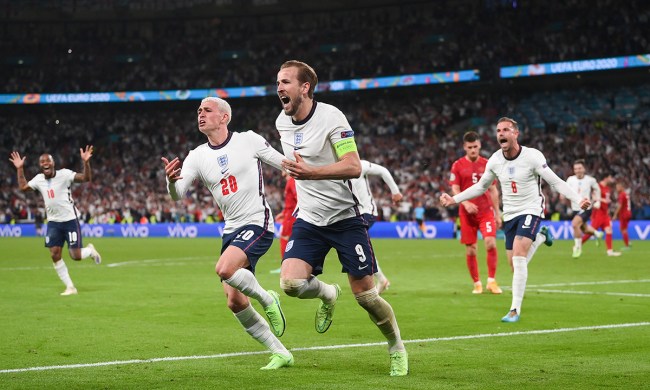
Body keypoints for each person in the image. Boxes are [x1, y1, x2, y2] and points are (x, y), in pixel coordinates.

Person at [275, 60, 408, 376]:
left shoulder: (332, 118)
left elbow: (354, 165)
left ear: (305, 87)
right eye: (277, 82)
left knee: (366, 296)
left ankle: (397, 348)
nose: (279, 88)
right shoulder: (281, 121)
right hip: (309, 218)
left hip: (347, 217)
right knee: (290, 283)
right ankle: (327, 293)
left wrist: (311, 173)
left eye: (285, 82)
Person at [161, 97, 293, 370]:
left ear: (224, 117)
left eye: (207, 110)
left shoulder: (248, 140)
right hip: (231, 229)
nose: (200, 114)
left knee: (224, 268)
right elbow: (177, 195)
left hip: (257, 222)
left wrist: (296, 167)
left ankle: (269, 299)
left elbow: (282, 162)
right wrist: (170, 181)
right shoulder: (197, 155)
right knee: (234, 301)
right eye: (198, 111)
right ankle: (281, 352)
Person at [439, 117, 590, 323]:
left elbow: (555, 181)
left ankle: (514, 310)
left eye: (506, 130)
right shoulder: (495, 160)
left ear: (515, 134)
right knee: (515, 265)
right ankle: (541, 237)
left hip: (531, 209)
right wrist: (454, 199)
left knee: (519, 256)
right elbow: (482, 187)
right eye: (498, 130)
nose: (501, 133)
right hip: (510, 214)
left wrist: (578, 198)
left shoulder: (532, 156)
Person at [9, 147, 102, 296]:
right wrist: (20, 169)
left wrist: (86, 162)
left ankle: (90, 250)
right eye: (42, 161)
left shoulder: (64, 175)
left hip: (70, 220)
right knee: (54, 254)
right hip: (53, 222)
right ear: (40, 165)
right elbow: (23, 187)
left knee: (75, 256)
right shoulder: (39, 179)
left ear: (53, 163)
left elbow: (85, 178)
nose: (45, 163)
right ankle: (70, 287)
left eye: (48, 160)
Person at [449, 131, 503, 295]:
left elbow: (493, 189)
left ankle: (492, 281)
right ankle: (477, 283)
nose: (473, 150)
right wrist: (465, 203)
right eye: (470, 147)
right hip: (466, 213)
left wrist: (498, 212)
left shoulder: (488, 164)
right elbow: (455, 188)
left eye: (475, 146)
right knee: (471, 249)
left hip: (485, 211)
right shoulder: (457, 165)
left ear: (479, 146)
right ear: (465, 147)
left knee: (491, 243)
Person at [351, 159, 403, 294]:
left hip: (366, 212)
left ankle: (376, 281)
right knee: (358, 247)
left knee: (359, 247)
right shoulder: (332, 169)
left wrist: (395, 191)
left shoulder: (359, 164)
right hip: (352, 215)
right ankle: (381, 279)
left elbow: (382, 170)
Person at [565, 159, 603, 258]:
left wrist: (598, 201)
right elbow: (566, 191)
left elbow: (597, 189)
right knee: (584, 229)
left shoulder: (590, 180)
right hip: (575, 208)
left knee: (574, 224)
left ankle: (577, 248)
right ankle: (597, 233)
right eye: (576, 169)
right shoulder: (570, 179)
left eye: (580, 168)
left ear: (584, 169)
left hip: (586, 207)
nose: (578, 170)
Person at [580, 175, 621, 256]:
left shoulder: (607, 188)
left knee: (609, 230)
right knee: (590, 232)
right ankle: (577, 245)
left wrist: (607, 203)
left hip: (605, 214)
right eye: (610, 177)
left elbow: (607, 200)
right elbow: (594, 197)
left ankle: (610, 251)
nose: (611, 179)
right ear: (606, 178)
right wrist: (603, 200)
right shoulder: (598, 186)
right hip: (598, 213)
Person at [271, 171, 297, 274]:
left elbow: (298, 200)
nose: (282, 173)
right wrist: (284, 212)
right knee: (290, 240)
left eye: (283, 170)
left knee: (284, 238)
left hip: (291, 218)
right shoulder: (291, 181)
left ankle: (285, 266)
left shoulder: (292, 181)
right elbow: (291, 203)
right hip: (289, 215)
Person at [613, 180, 632, 250]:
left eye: (617, 187)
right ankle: (628, 242)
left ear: (621, 187)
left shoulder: (621, 195)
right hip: (628, 212)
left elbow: (620, 206)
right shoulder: (626, 194)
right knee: (624, 229)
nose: (616, 189)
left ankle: (627, 246)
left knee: (622, 229)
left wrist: (615, 214)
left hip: (624, 214)